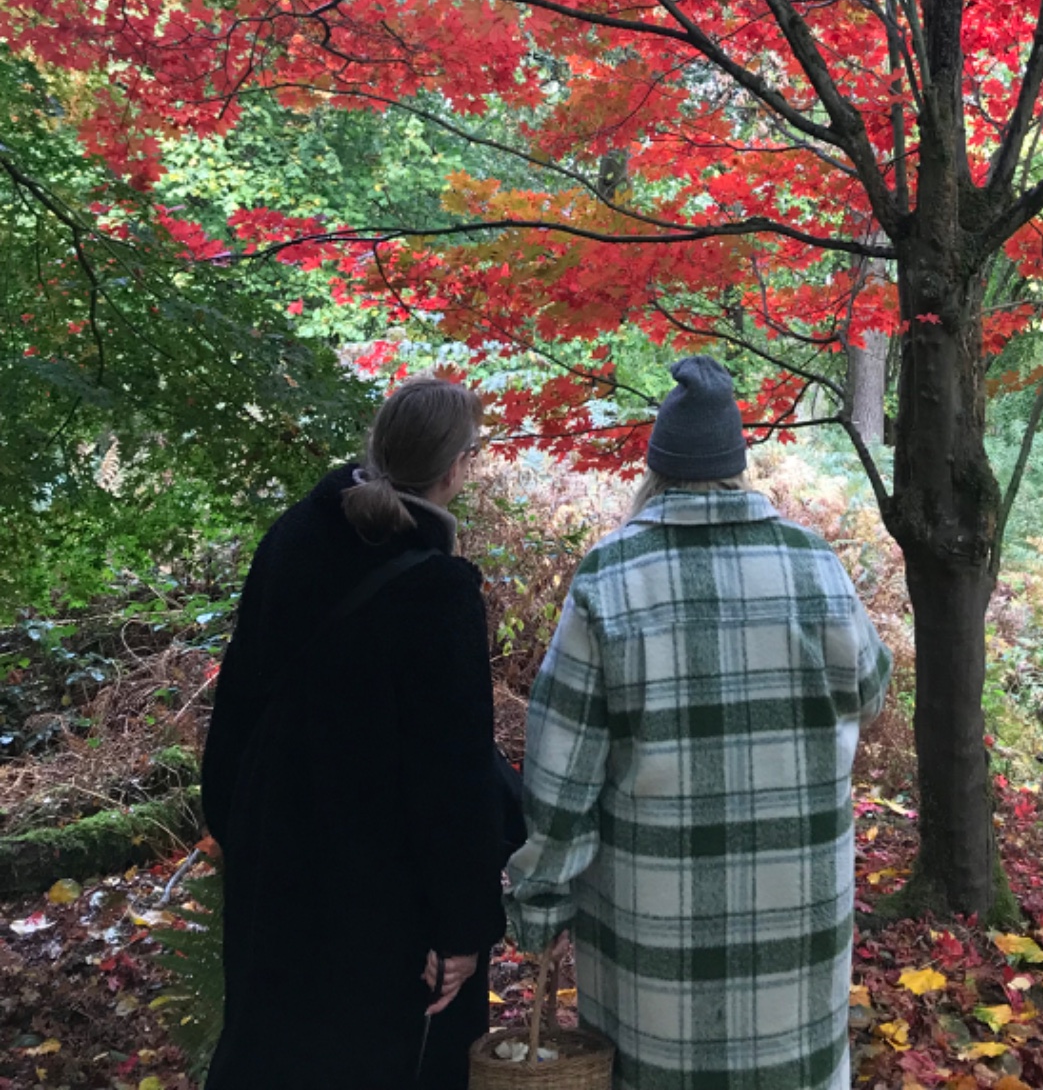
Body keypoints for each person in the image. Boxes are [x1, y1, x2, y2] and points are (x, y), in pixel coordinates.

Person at [507, 354, 892, 1090]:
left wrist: (539, 898)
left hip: (656, 927)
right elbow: (870, 691)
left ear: (656, 466)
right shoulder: (813, 564)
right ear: (737, 464)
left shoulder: (610, 577)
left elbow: (562, 773)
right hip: (798, 908)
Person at [201, 375, 508, 1090]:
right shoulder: (437, 592)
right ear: (456, 466)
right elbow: (452, 777)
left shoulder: (295, 537)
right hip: (382, 909)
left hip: (276, 872)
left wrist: (241, 833)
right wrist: (463, 926)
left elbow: (239, 699)